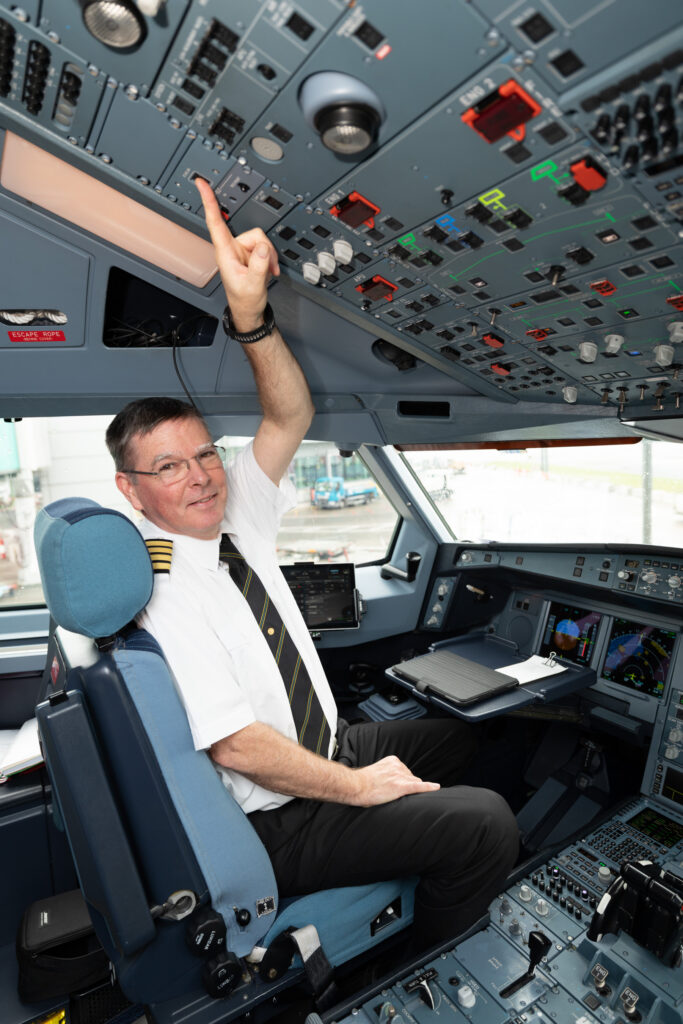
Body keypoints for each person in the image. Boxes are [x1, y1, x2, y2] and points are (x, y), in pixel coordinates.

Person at [106, 178, 519, 953]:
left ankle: (437, 870)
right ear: (129, 490)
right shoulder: (157, 589)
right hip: (277, 820)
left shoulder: (233, 521)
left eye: (204, 454)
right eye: (168, 468)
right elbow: (236, 748)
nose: (197, 476)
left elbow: (288, 415)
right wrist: (362, 789)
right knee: (483, 823)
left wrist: (251, 318)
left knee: (463, 740)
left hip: (321, 753)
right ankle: (427, 951)